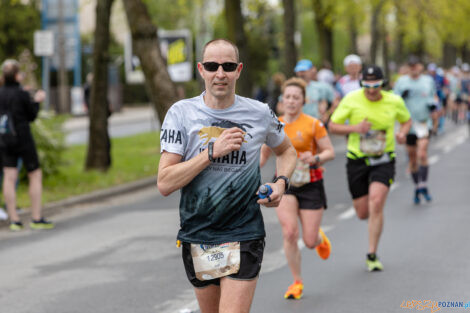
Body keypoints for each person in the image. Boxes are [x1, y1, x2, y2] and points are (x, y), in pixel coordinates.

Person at [157, 39, 297, 313]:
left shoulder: (258, 113)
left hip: (244, 231)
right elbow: (164, 182)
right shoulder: (181, 114)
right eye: (212, 66)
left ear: (238, 70)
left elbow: (288, 151)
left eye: (228, 66)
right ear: (201, 69)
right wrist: (211, 152)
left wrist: (281, 183)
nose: (220, 73)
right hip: (199, 232)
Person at [329, 65, 411, 271]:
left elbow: (406, 120)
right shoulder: (352, 99)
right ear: (361, 83)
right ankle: (370, 226)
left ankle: (372, 253)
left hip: (384, 159)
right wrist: (355, 128)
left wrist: (402, 133)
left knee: (376, 202)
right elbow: (333, 126)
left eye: (376, 85)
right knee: (363, 213)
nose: (371, 90)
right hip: (357, 159)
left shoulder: (394, 100)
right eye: (367, 85)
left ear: (383, 84)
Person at [260, 77, 334, 300]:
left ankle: (319, 238)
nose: (291, 101)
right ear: (282, 100)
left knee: (309, 241)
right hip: (284, 184)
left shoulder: (313, 124)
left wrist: (317, 157)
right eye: (288, 97)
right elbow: (262, 156)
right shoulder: (275, 124)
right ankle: (296, 282)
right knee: (290, 232)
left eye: (296, 97)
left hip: (311, 183)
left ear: (304, 100)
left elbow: (330, 151)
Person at [0, 59, 54, 231]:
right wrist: (37, 101)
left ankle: (14, 220)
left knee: (9, 176)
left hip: (5, 139)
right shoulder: (21, 94)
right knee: (35, 174)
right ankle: (36, 218)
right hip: (23, 138)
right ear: (17, 76)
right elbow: (32, 115)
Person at [393, 56, 438, 204]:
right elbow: (394, 100)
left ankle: (423, 184)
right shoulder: (401, 82)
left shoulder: (427, 81)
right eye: (410, 65)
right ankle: (418, 186)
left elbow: (433, 97)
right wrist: (401, 97)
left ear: (420, 67)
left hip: (423, 122)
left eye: (416, 65)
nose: (413, 68)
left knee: (422, 154)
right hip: (408, 124)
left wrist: (433, 107)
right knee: (412, 158)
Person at [294, 59, 335, 124]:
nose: (301, 74)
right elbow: (280, 106)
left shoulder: (323, 87)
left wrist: (327, 114)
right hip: (297, 124)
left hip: (317, 124)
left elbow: (335, 103)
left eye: (304, 71)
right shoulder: (291, 87)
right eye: (299, 71)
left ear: (312, 70)